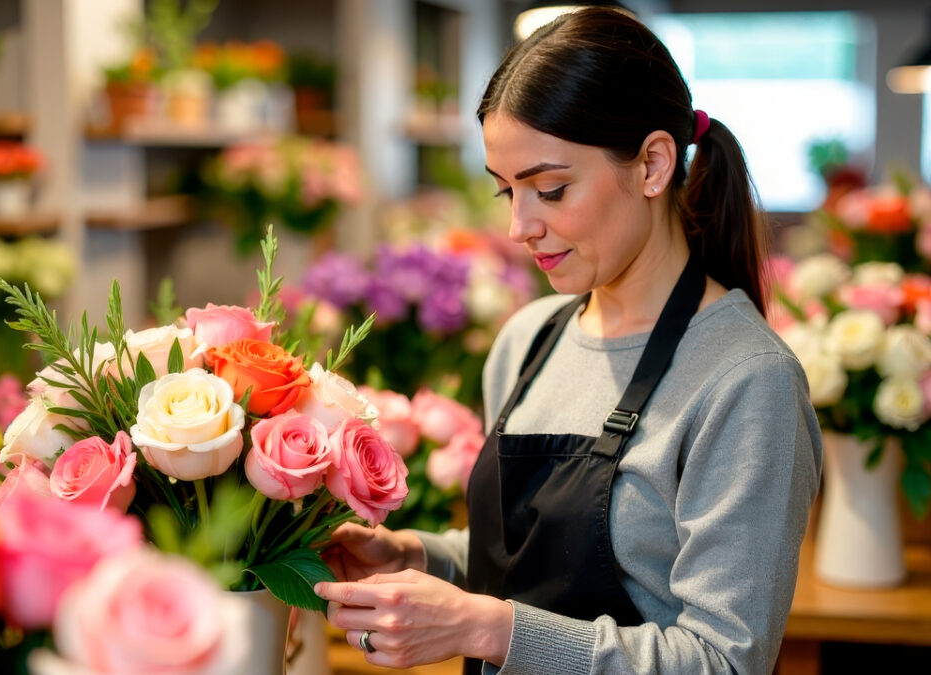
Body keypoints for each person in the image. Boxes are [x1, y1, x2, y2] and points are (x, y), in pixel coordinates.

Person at [314, 7, 823, 674]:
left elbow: (723, 661)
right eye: (507, 192)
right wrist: (420, 556)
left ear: (652, 164)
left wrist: (489, 628)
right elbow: (527, 564)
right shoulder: (528, 340)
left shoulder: (745, 378)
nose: (522, 225)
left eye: (550, 190)